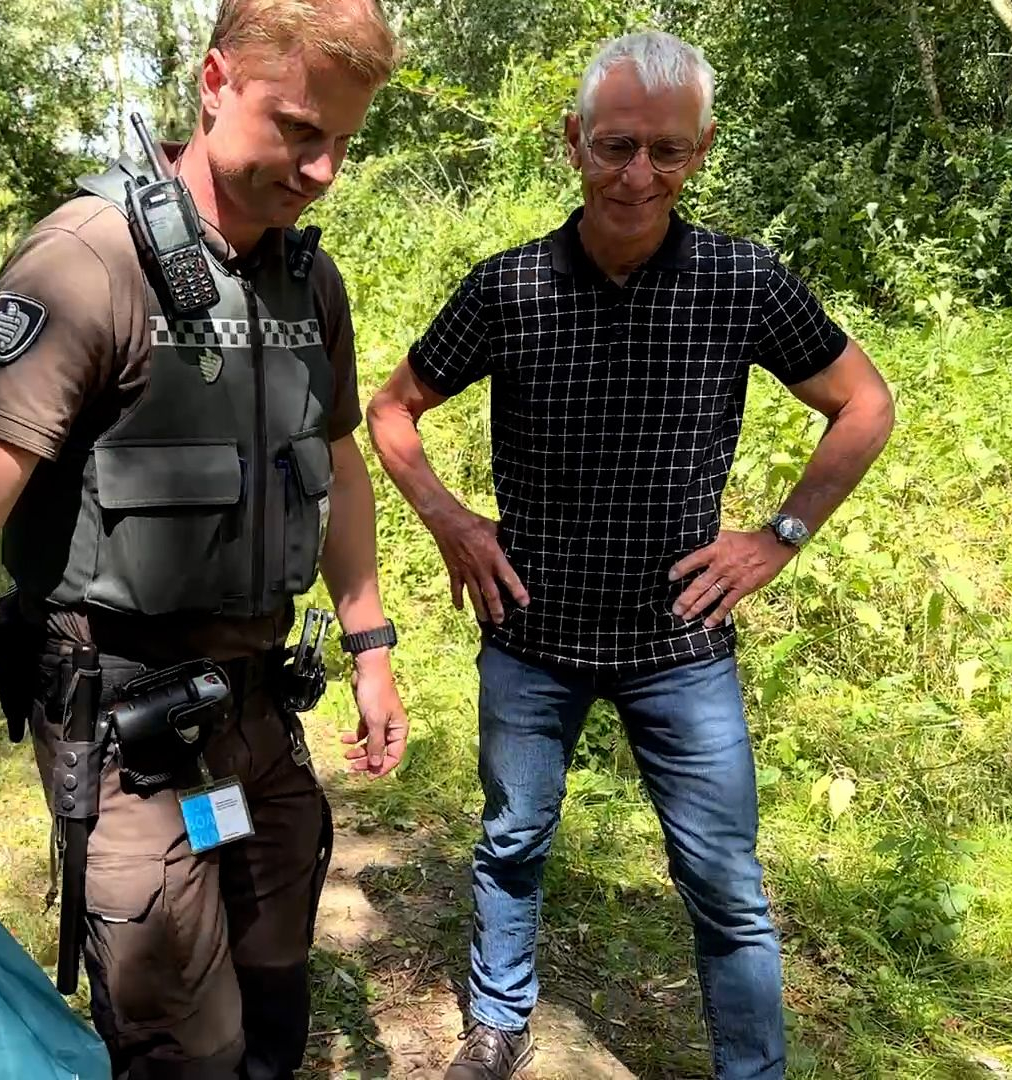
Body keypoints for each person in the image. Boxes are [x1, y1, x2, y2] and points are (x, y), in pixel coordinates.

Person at [0, 2, 407, 1076]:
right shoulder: (87, 263)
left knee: (277, 994)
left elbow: (335, 464)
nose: (322, 169)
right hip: (128, 722)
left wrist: (370, 647)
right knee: (179, 1038)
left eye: (343, 142)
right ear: (214, 80)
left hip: (259, 710)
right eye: (296, 128)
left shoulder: (306, 282)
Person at [366, 30, 896, 1080]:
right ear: (573, 143)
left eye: (665, 150)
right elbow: (391, 409)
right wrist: (450, 519)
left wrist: (779, 535)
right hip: (533, 635)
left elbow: (864, 403)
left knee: (725, 883)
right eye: (614, 146)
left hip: (681, 645)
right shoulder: (508, 289)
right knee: (513, 840)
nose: (637, 174)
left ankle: (754, 1070)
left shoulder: (742, 280)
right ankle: (496, 1025)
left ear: (698, 152)